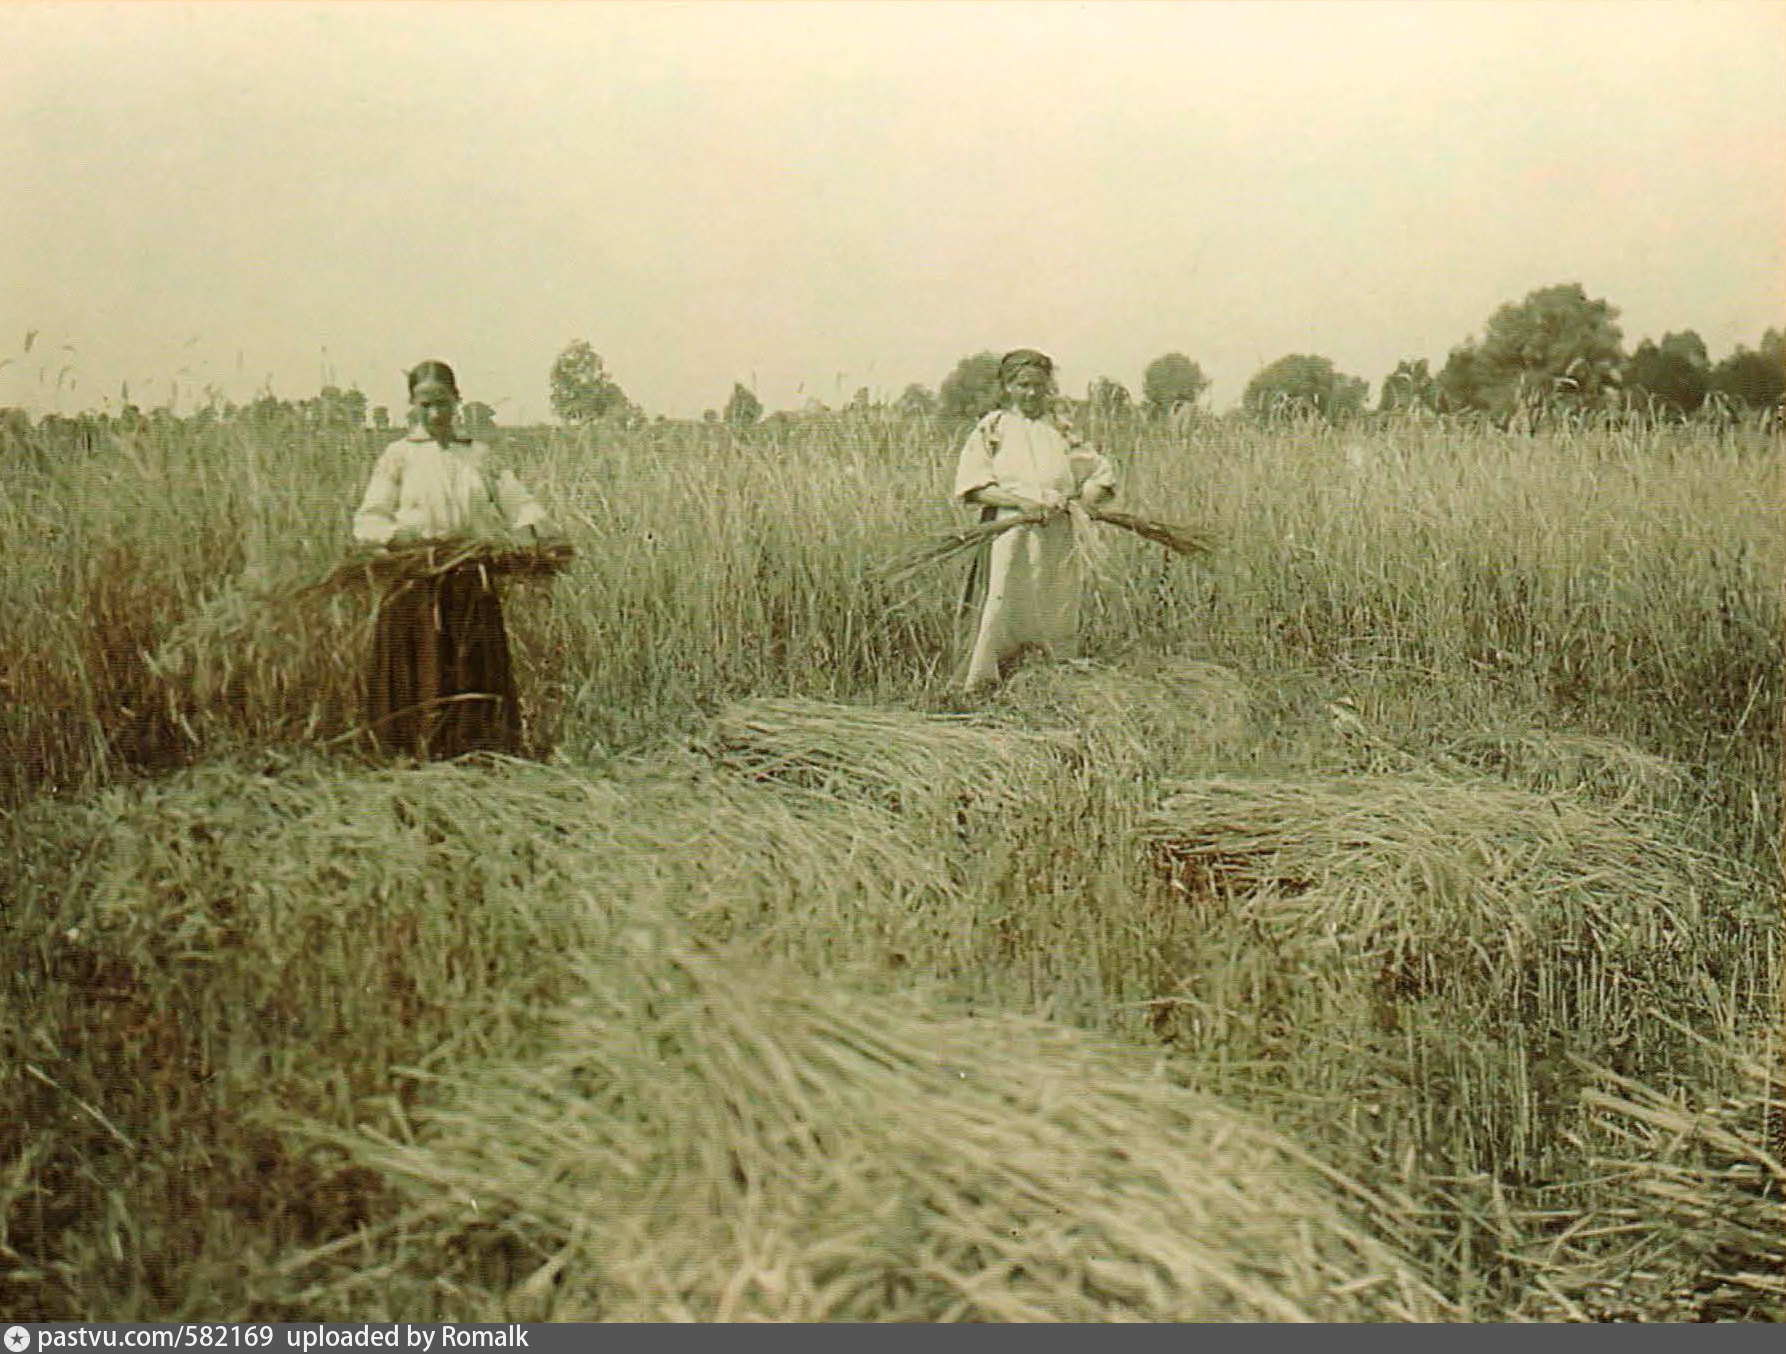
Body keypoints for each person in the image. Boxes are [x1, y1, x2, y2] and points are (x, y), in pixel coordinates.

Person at [351, 359, 550, 759]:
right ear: (412, 405)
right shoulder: (398, 456)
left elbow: (519, 503)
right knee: (418, 671)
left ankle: (477, 758)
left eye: (443, 402)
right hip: (415, 583)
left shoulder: (478, 455)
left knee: (471, 671)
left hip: (470, 581)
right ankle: (413, 759)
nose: (436, 414)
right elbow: (368, 519)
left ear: (458, 400)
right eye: (425, 405)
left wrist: (531, 533)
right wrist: (396, 536)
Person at [952, 349, 1117, 692]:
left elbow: (1100, 473)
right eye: (1022, 385)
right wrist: (1020, 504)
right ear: (1007, 386)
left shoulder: (1060, 430)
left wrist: (1080, 501)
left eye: (1038, 386)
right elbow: (974, 487)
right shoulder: (993, 428)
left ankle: (1053, 676)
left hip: (1056, 534)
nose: (1031, 393)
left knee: (1055, 599)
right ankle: (985, 682)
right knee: (1003, 601)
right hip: (1009, 534)